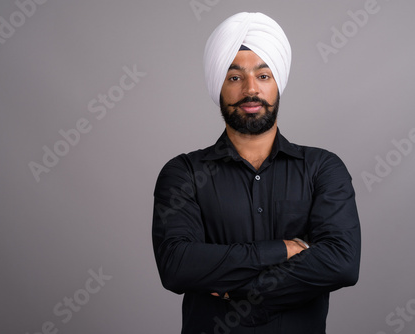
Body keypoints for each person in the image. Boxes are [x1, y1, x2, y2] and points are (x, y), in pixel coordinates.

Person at [152, 12, 361, 334]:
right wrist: (282, 249)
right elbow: (177, 266)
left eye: (263, 76)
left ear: (278, 83)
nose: (251, 90)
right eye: (234, 77)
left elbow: (341, 264)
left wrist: (238, 291)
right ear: (218, 85)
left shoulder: (322, 167)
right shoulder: (184, 173)